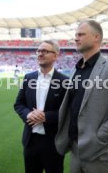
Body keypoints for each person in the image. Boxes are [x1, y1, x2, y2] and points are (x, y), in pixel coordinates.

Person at [55, 20, 108, 173]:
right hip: (75, 148)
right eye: (75, 35)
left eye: (81, 34)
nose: (76, 38)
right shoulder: (76, 70)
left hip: (99, 153)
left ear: (96, 37)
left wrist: (100, 136)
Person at [14, 40, 68, 173]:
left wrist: (46, 117)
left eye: (45, 51)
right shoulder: (28, 78)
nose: (40, 54)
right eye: (38, 51)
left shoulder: (65, 81)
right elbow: (19, 104)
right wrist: (28, 114)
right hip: (30, 141)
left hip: (53, 143)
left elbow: (68, 112)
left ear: (55, 56)